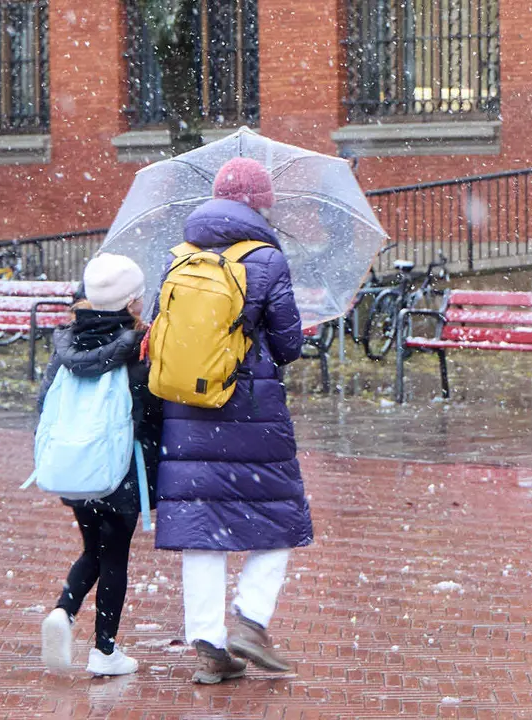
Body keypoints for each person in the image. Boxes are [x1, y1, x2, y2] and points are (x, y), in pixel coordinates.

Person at [155, 157, 311, 685]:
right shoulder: (267, 258)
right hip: (250, 406)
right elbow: (287, 345)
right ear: (258, 203)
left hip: (186, 407)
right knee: (280, 518)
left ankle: (208, 644)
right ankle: (250, 620)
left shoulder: (180, 255)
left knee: (201, 526)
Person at [39, 254, 161, 676]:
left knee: (92, 548)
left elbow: (44, 405)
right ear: (131, 303)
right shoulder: (140, 348)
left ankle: (63, 611)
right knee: (114, 558)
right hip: (121, 470)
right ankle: (105, 651)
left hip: (76, 466)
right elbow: (153, 412)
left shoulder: (68, 342)